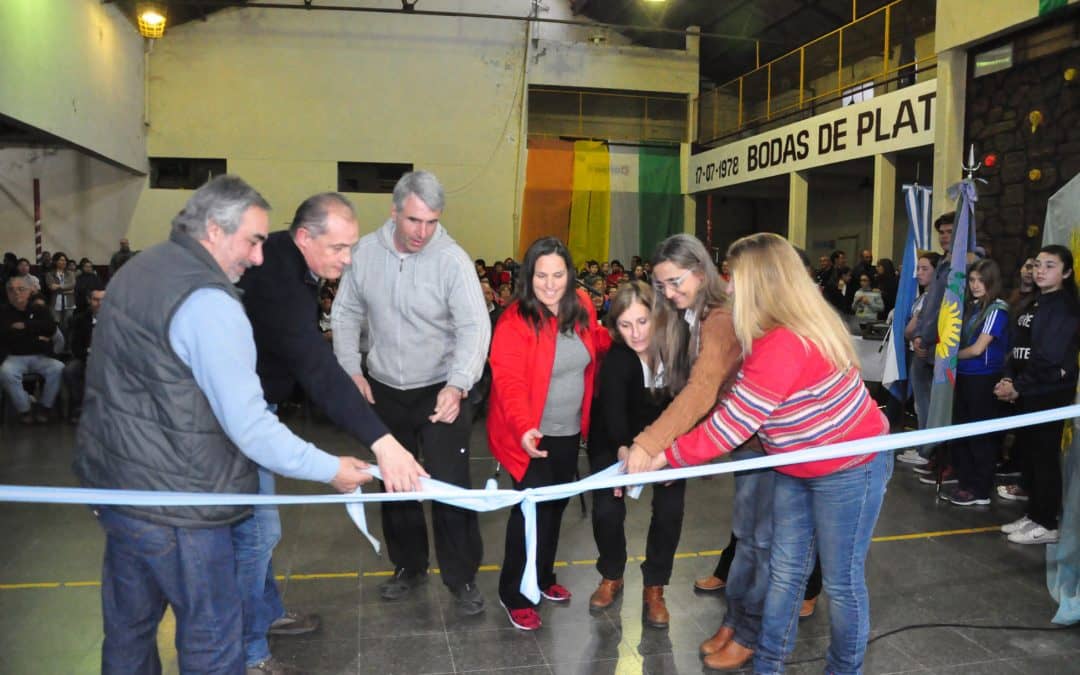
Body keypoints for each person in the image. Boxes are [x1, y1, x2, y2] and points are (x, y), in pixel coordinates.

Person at [73, 175, 373, 674]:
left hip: (119, 490)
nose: (258, 257)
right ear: (214, 229)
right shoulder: (210, 302)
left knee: (129, 633)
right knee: (212, 638)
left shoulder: (139, 269)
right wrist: (330, 468)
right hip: (185, 503)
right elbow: (251, 427)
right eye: (253, 240)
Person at [628, 232, 891, 674]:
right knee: (786, 573)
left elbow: (732, 422)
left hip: (849, 469)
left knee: (843, 584)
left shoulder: (784, 342)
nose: (728, 286)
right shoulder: (763, 331)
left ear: (764, 281)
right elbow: (731, 411)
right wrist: (666, 453)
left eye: (736, 277)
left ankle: (844, 670)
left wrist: (662, 455)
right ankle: (768, 664)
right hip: (792, 464)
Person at [237, 191, 427, 673]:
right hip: (235, 421)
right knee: (256, 534)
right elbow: (316, 369)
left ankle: (267, 615)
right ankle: (248, 651)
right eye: (339, 248)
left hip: (259, 411)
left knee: (260, 530)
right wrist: (384, 443)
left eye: (352, 247)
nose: (347, 258)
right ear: (304, 237)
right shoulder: (278, 277)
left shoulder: (293, 265)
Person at [332, 170, 490, 614]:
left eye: (432, 222)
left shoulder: (452, 260)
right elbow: (344, 314)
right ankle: (409, 566)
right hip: (384, 388)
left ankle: (461, 578)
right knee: (395, 481)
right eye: (415, 220)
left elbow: (475, 326)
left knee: (449, 484)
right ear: (395, 211)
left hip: (441, 389)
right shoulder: (364, 253)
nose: (423, 232)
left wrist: (459, 383)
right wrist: (350, 370)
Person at [486, 236, 609, 631]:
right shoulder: (514, 320)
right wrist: (524, 429)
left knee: (554, 507)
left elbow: (596, 347)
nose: (551, 283)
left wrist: (627, 336)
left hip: (568, 431)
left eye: (558, 274)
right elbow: (508, 382)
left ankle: (541, 578)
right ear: (529, 276)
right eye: (542, 275)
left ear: (570, 275)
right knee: (528, 513)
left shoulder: (583, 307)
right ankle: (514, 593)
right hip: (528, 436)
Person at [586, 281, 682, 628]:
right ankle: (611, 573)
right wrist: (624, 454)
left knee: (670, 510)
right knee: (606, 510)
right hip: (615, 440)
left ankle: (655, 585)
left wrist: (669, 454)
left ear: (655, 317)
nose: (635, 333)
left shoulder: (675, 350)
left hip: (663, 442)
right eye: (625, 325)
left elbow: (681, 407)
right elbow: (613, 412)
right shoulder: (617, 358)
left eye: (641, 322)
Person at [995, 244, 1080, 544]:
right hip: (1027, 390)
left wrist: (1019, 385)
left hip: (1048, 392)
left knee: (1044, 455)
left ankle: (1047, 522)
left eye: (1050, 265)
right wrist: (1009, 378)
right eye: (1038, 264)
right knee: (1029, 454)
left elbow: (1050, 357)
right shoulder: (1034, 302)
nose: (1040, 270)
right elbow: (1016, 347)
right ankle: (1033, 514)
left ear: (1066, 272)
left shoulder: (1065, 307)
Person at [947, 259, 1009, 506]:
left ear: (991, 282)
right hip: (965, 375)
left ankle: (980, 488)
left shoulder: (996, 309)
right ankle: (966, 482)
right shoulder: (972, 306)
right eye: (972, 280)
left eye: (981, 280)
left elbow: (977, 349)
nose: (975, 285)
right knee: (962, 431)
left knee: (980, 435)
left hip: (983, 377)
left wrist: (949, 357)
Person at [897, 251, 941, 467]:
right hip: (916, 353)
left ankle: (928, 451)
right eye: (918, 268)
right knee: (919, 404)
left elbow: (920, 327)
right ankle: (924, 445)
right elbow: (910, 329)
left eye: (925, 269)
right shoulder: (922, 297)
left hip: (928, 355)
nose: (919, 273)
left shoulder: (936, 297)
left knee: (927, 404)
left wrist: (918, 337)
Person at [0, 276, 64, 424]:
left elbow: (50, 328)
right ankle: (25, 409)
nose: (16, 293)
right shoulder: (3, 311)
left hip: (40, 355)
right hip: (14, 356)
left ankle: (45, 407)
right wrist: (35, 333)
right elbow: (3, 333)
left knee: (59, 368)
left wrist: (26, 326)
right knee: (5, 372)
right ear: (7, 293)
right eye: (11, 290)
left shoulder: (39, 308)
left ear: (30, 291)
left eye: (21, 289)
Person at [64, 280, 105, 424]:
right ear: (89, 300)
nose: (99, 303)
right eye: (96, 300)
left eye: (103, 300)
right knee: (71, 370)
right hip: (85, 358)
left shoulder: (115, 319)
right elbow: (75, 347)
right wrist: (89, 354)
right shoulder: (79, 320)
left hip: (108, 360)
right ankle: (78, 407)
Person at [44, 251, 76, 329]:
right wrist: (67, 290)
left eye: (65, 260)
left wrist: (59, 287)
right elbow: (52, 287)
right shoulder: (49, 274)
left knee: (68, 325)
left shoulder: (70, 273)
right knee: (56, 325)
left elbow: (72, 285)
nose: (64, 262)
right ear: (55, 261)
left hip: (69, 302)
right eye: (61, 260)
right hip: (55, 303)